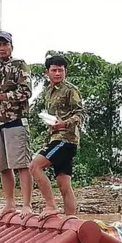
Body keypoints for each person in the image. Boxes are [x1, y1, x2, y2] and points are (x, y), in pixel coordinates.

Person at [29, 55, 87, 219]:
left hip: (65, 140)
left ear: (65, 71)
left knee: (35, 166)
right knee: (64, 186)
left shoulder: (70, 89)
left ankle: (50, 206)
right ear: (47, 72)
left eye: (60, 70)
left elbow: (81, 113)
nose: (57, 73)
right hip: (54, 138)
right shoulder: (48, 91)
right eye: (54, 70)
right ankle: (71, 221)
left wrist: (65, 123)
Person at [0, 31, 33, 218]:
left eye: (5, 44)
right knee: (3, 167)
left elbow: (26, 92)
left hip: (16, 121)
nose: (1, 48)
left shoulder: (20, 65)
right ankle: (9, 203)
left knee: (22, 165)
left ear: (11, 46)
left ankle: (27, 204)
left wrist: (1, 96)